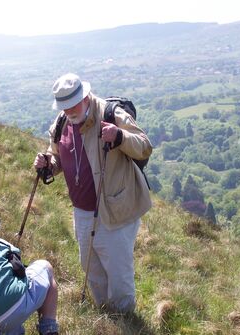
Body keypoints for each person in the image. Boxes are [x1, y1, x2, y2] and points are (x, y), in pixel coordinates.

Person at [34, 73, 152, 313]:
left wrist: (120, 136)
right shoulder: (61, 123)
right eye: (64, 107)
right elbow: (58, 156)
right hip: (82, 211)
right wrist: (48, 164)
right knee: (92, 268)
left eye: (72, 105)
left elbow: (144, 146)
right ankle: (105, 316)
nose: (68, 112)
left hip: (114, 209)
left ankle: (125, 320)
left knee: (118, 272)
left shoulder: (111, 114)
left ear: (85, 97)